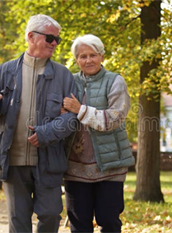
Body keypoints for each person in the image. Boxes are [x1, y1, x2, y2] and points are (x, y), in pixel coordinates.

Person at [0, 14, 77, 233]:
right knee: (18, 223)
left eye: (57, 40)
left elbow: (72, 119)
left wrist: (46, 133)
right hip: (13, 162)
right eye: (50, 38)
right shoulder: (5, 71)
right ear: (31, 36)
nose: (54, 44)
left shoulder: (63, 75)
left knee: (51, 216)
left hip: (49, 162)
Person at [63, 34, 135, 233]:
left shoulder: (115, 81)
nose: (88, 60)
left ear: (102, 56)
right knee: (79, 225)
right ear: (76, 60)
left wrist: (81, 110)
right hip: (75, 167)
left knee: (109, 221)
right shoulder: (69, 81)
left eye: (92, 55)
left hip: (109, 167)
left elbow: (114, 119)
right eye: (82, 56)